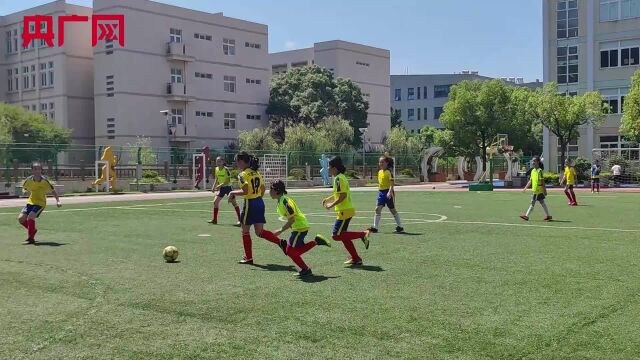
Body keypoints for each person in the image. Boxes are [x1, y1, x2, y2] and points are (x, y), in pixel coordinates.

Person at [264, 180, 331, 277]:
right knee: (291, 251)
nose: (269, 191)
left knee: (290, 252)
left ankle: (314, 247)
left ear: (276, 191)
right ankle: (306, 266)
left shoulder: (285, 201)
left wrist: (280, 230)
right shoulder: (281, 200)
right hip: (298, 227)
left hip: (300, 227)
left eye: (271, 189)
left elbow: (292, 219)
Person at [228, 152, 282, 264]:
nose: (236, 164)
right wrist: (257, 198)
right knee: (260, 232)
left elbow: (245, 191)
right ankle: (280, 242)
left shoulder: (242, 175)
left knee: (245, 231)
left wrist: (232, 192)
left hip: (250, 203)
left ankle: (249, 257)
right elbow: (263, 189)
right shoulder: (256, 173)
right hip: (259, 202)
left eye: (237, 161)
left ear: (242, 161)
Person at [322, 156, 371, 266]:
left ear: (335, 168)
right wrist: (328, 199)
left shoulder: (339, 178)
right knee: (343, 236)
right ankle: (356, 258)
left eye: (329, 167)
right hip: (345, 211)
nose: (328, 169)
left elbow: (342, 196)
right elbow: (338, 194)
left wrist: (331, 205)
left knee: (336, 235)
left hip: (345, 211)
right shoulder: (339, 177)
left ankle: (363, 234)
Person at [18, 163, 62, 244]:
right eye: (35, 169)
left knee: (30, 217)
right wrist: (24, 191)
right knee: (21, 219)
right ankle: (33, 230)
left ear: (41, 170)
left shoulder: (44, 181)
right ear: (32, 170)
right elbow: (24, 188)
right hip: (31, 202)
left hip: (40, 203)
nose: (37, 171)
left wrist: (58, 201)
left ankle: (31, 238)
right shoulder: (28, 180)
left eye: (39, 169)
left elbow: (53, 191)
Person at [369, 155, 404, 233]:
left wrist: (390, 191)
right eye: (380, 162)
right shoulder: (379, 172)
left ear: (387, 163)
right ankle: (375, 227)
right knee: (377, 209)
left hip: (388, 192)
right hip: (381, 193)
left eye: (382, 162)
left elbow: (392, 183)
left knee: (392, 210)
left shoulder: (389, 172)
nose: (381, 163)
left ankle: (400, 226)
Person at [208, 156, 241, 226]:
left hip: (228, 188)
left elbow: (228, 180)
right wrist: (213, 187)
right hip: (222, 189)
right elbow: (217, 179)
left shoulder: (226, 169)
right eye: (217, 161)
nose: (218, 163)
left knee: (234, 203)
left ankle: (240, 220)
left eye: (220, 161)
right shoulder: (216, 169)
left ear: (223, 162)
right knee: (215, 202)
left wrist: (220, 185)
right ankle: (215, 220)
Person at [520, 156, 552, 222]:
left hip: (538, 190)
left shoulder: (539, 171)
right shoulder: (533, 171)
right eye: (532, 161)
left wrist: (544, 190)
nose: (533, 162)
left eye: (534, 161)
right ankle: (548, 215)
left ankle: (526, 216)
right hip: (535, 190)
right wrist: (525, 188)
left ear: (538, 162)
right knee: (542, 202)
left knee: (532, 203)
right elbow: (530, 180)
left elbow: (542, 182)